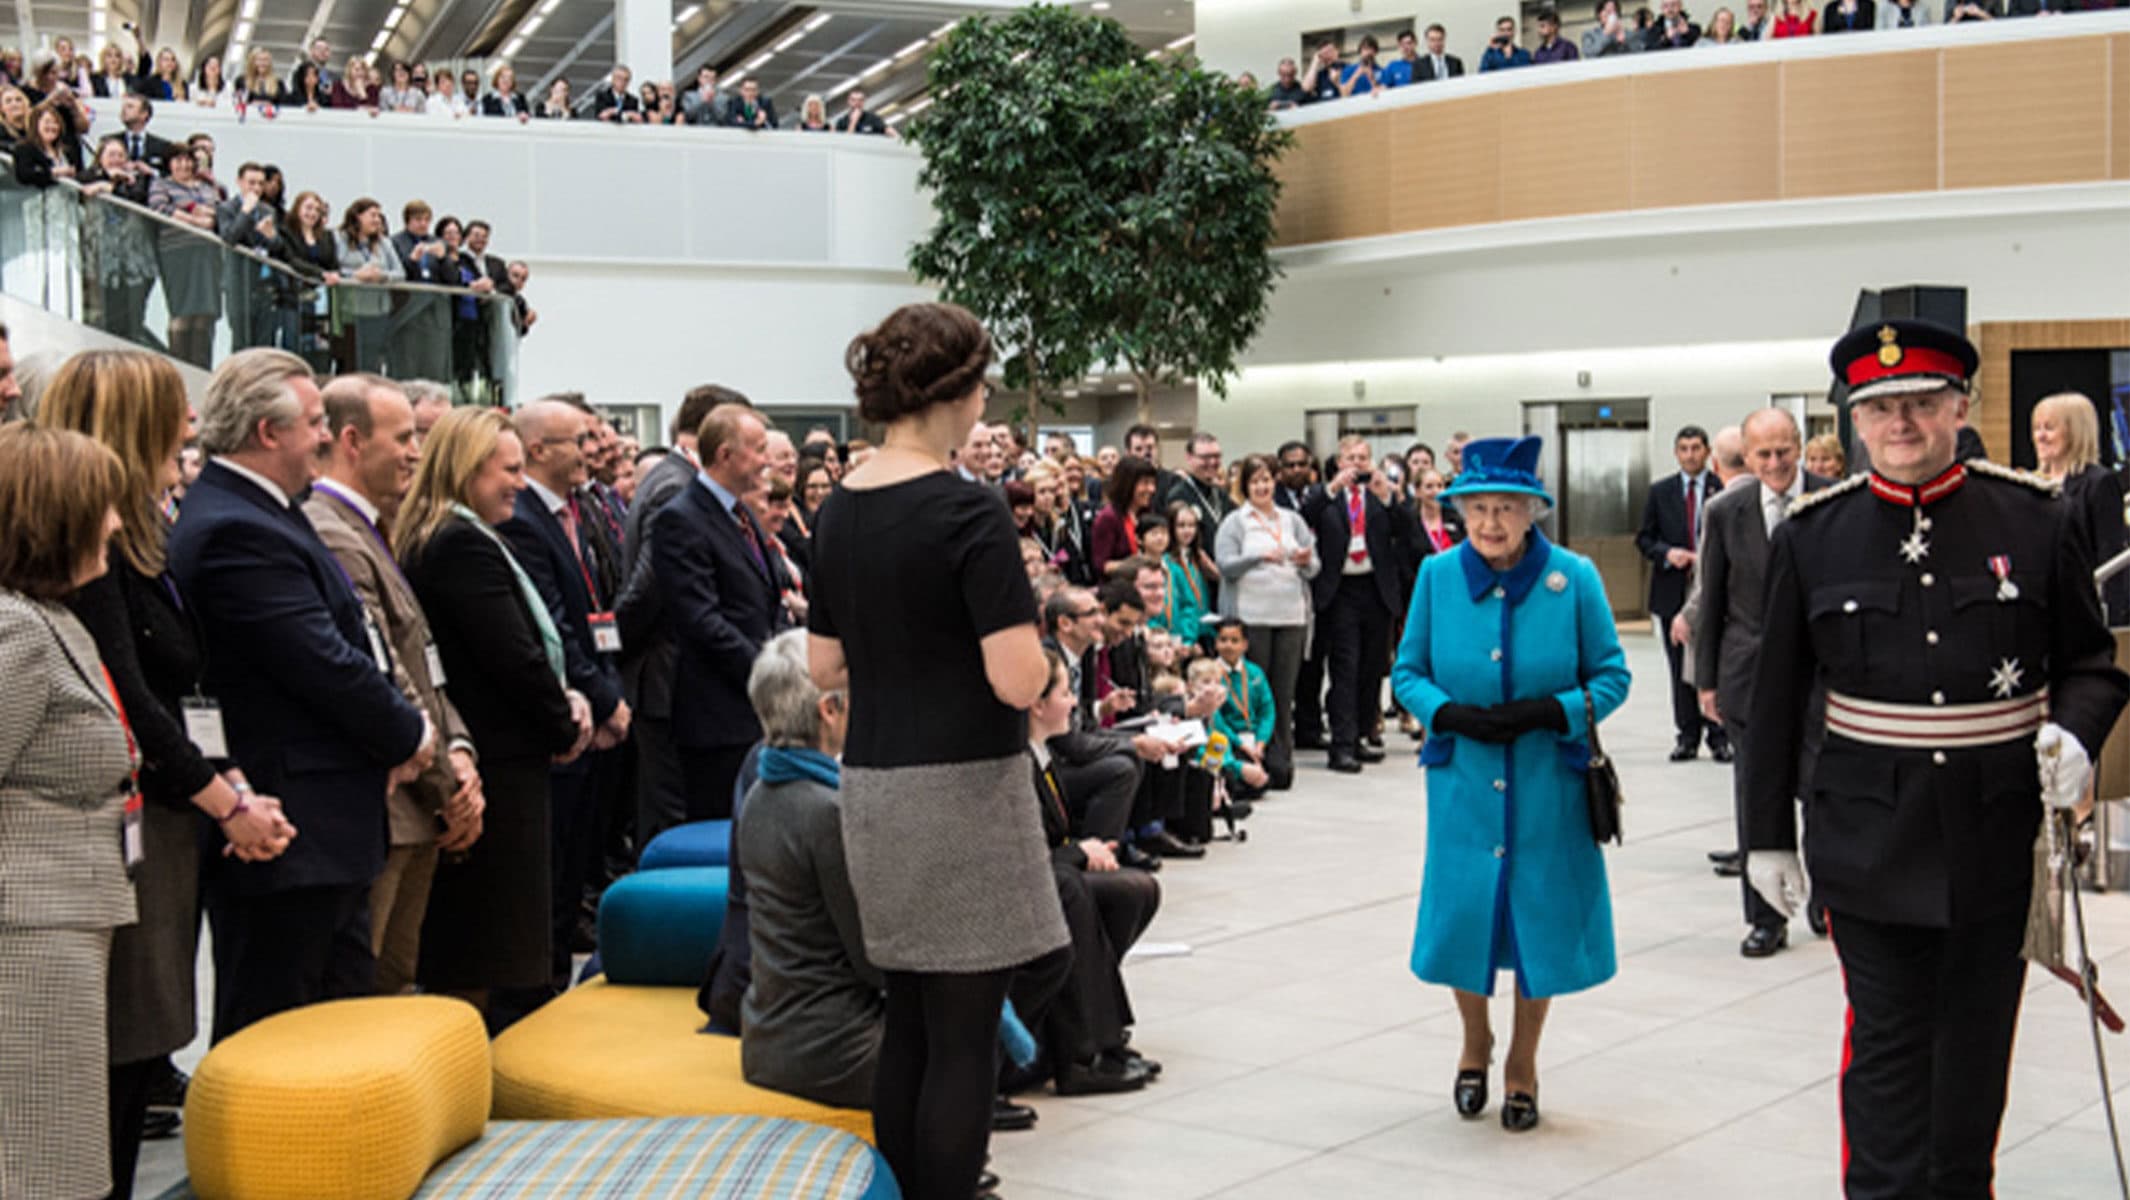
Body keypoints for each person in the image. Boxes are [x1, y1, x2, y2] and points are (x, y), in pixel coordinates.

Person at [1744, 320, 2128, 1198]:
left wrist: (2075, 732)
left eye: (1921, 403)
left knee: (1972, 1068)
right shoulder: (1814, 534)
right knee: (1887, 1064)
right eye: (1881, 407)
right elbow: (1773, 703)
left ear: (1960, 405)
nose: (1902, 422)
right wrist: (1766, 836)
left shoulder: (2035, 519)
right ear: (1854, 418)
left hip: (1994, 841)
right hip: (1867, 843)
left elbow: (2089, 666)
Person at [810, 302, 1068, 1200]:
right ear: (954, 392)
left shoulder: (839, 508)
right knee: (965, 1041)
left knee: (912, 1025)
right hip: (961, 789)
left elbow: (821, 663)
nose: (985, 400)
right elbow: (1014, 679)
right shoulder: (968, 509)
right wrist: (1041, 655)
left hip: (874, 786)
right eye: (982, 384)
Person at [37, 353, 296, 1197]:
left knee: (142, 1045)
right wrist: (227, 801)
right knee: (120, 1055)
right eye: (174, 417)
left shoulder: (141, 536)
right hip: (131, 828)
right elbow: (132, 705)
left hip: (168, 818)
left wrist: (227, 781)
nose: (190, 430)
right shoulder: (93, 552)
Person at [168, 349, 434, 1042]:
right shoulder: (235, 528)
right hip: (289, 828)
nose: (326, 436)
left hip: (322, 822)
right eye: (315, 422)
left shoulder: (269, 513)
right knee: (280, 1031)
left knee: (333, 1021)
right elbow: (321, 662)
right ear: (267, 431)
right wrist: (410, 736)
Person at [1392, 435, 1631, 1134]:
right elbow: (1407, 671)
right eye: (1477, 509)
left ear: (1533, 512)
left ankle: (1522, 1062)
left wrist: (1551, 711)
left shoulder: (1575, 578)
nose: (1490, 523)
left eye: (1506, 509)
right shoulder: (1437, 577)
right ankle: (1475, 1043)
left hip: (1546, 781)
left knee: (1539, 927)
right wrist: (1446, 711)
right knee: (1467, 919)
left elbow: (1613, 676)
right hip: (1464, 779)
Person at [397, 406, 589, 1029]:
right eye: (508, 469)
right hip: (498, 762)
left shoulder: (460, 537)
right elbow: (512, 656)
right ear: (466, 470)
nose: (517, 482)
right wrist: (564, 723)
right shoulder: (458, 545)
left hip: (501, 753)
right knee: (485, 949)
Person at [303, 376, 483, 995]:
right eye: (404, 437)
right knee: (365, 996)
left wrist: (461, 753)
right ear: (352, 441)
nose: (416, 452)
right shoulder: (333, 533)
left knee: (396, 988)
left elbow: (424, 660)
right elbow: (385, 673)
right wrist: (446, 783)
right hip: (394, 799)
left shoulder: (375, 530)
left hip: (422, 795)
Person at [0, 421, 137, 1200]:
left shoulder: (52, 618)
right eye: (105, 507)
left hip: (62, 927)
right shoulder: (15, 630)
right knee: (35, 1161)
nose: (117, 523)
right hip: (23, 939)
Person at [499, 400, 629, 1005]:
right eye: (578, 440)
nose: (592, 450)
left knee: (573, 863)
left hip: (596, 709)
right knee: (549, 878)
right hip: (566, 717)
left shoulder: (578, 513)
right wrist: (602, 699)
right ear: (538, 451)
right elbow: (551, 625)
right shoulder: (522, 519)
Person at [1690, 409, 1829, 959]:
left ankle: (1827, 902)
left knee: (1825, 792)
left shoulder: (1832, 499)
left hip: (1821, 676)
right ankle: (1765, 919)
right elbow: (1714, 600)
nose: (1775, 464)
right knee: (1758, 796)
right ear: (1746, 458)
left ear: (1798, 447)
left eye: (1783, 452)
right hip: (1748, 677)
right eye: (1763, 455)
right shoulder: (1725, 512)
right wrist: (1706, 682)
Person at [732, 630, 883, 1108]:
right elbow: (873, 958)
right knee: (965, 1034)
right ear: (828, 710)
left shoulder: (761, 790)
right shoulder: (828, 811)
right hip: (833, 1048)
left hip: (768, 1036)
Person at [1027, 648, 1163, 1094]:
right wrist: (1078, 854)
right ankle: (1083, 1049)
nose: (1073, 704)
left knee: (1135, 891)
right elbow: (1023, 857)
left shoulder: (1040, 754)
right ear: (1037, 705)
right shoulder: (1012, 764)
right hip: (1023, 885)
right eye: (1065, 694)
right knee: (1072, 889)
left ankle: (1106, 1025)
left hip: (1048, 868)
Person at [654, 401, 787, 822]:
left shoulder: (741, 511)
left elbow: (765, 600)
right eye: (758, 448)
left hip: (753, 707)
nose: (767, 460)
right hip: (717, 713)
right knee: (719, 831)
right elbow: (700, 620)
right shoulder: (681, 518)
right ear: (726, 455)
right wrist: (766, 671)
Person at [1306, 435, 1418, 773]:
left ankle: (1358, 737)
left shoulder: (1381, 494)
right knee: (1345, 668)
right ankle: (1340, 746)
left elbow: (1407, 530)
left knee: (1372, 670)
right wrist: (1333, 489)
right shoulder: (1325, 496)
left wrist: (1388, 497)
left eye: (1363, 458)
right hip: (1340, 590)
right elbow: (1304, 515)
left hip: (1376, 589)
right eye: (1350, 458)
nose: (1357, 464)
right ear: (1339, 462)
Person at [1216, 454, 1318, 790]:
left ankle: (1281, 759)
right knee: (1253, 693)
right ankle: (1251, 759)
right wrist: (1258, 556)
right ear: (1245, 486)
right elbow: (1225, 566)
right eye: (1255, 481)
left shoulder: (1292, 520)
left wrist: (1304, 561)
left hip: (1290, 614)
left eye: (1266, 480)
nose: (1262, 486)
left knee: (1283, 692)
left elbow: (1314, 566)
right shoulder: (1236, 521)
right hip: (1252, 616)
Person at [1637, 425, 1727, 763]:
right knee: (1679, 668)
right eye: (1683, 449)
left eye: (1696, 448)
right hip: (1672, 588)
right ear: (1676, 453)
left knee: (1713, 661)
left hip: (1713, 589)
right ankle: (1687, 736)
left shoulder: (1722, 489)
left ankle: (1719, 736)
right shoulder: (1660, 492)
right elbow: (1644, 539)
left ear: (1707, 452)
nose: (1690, 454)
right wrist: (1666, 553)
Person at [2032, 392, 2128, 625]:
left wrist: (2114, 622)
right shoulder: (2031, 482)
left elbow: (2110, 554)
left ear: (2075, 432)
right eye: (2037, 428)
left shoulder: (2098, 483)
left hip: (2083, 608)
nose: (2040, 436)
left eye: (2049, 428)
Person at [146, 146, 222, 368]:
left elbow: (217, 211)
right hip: (178, 253)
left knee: (204, 315)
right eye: (178, 160)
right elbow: (159, 208)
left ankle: (201, 367)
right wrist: (194, 219)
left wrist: (202, 214)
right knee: (182, 312)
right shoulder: (162, 184)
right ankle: (179, 366)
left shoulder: (207, 187)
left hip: (207, 254)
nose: (184, 165)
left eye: (188, 160)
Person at [1090, 455, 1158, 578]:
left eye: (1153, 483)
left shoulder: (1147, 513)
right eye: (1145, 483)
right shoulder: (1108, 518)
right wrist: (1132, 565)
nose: (1151, 489)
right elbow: (1101, 565)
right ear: (1128, 483)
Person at [1157, 502, 1211, 652]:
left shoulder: (1194, 558)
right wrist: (1187, 639)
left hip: (1202, 630)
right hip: (1182, 637)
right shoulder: (1167, 563)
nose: (1188, 531)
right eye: (1181, 526)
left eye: (1192, 525)